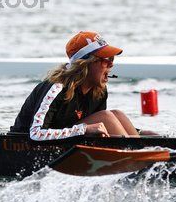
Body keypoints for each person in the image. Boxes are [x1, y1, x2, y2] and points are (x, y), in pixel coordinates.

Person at [11, 31, 140, 141]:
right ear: (86, 64)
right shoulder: (56, 88)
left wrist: (142, 134)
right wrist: (84, 129)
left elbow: (100, 133)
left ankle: (145, 152)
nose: (111, 64)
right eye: (106, 60)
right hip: (22, 145)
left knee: (117, 114)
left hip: (67, 142)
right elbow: (36, 134)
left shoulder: (99, 91)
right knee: (106, 117)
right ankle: (139, 162)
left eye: (112, 59)